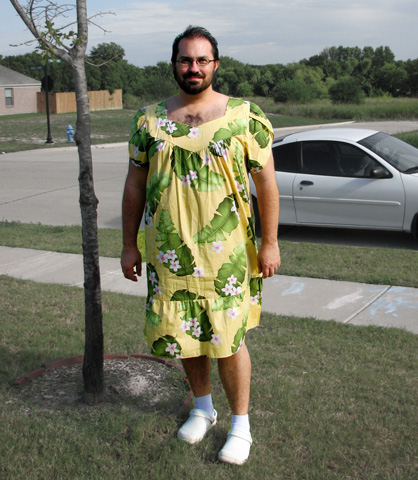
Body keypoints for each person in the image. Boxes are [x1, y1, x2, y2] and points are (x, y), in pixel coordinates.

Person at [121, 26, 280, 465]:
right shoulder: (148, 121)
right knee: (184, 336)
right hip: (169, 256)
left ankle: (241, 425)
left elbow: (266, 183)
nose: (193, 67)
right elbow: (134, 185)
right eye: (185, 59)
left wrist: (270, 243)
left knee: (228, 341)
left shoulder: (244, 116)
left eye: (201, 60)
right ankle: (203, 408)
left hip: (227, 256)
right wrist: (129, 245)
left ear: (215, 64)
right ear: (174, 64)